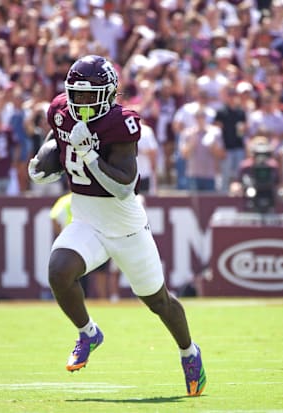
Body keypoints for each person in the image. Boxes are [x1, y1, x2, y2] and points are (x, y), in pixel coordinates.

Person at [28, 55, 206, 396]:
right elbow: (58, 141)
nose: (81, 103)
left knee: (158, 301)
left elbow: (125, 186)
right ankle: (88, 333)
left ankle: (189, 352)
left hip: (125, 226)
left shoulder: (120, 124)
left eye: (89, 95)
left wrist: (90, 156)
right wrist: (42, 162)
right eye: (76, 95)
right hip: (87, 221)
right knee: (59, 270)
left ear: (108, 94)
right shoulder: (59, 110)